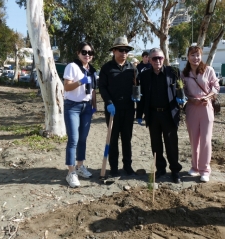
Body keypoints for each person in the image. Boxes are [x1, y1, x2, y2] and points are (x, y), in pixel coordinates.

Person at [136, 48, 183, 184]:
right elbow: (142, 98)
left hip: (169, 113)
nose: (157, 61)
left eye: (160, 58)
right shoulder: (144, 76)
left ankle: (175, 171)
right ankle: (160, 169)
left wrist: (182, 99)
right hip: (153, 114)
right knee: (156, 145)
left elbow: (181, 90)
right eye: (154, 58)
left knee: (171, 144)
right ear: (149, 60)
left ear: (164, 59)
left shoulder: (173, 72)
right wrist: (139, 114)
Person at [181, 46, 220, 182]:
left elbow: (216, 86)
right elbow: (182, 91)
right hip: (191, 108)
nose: (195, 58)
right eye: (192, 55)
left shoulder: (209, 70)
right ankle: (195, 167)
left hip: (206, 108)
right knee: (194, 140)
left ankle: (205, 170)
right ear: (188, 56)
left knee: (206, 140)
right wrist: (190, 99)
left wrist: (208, 97)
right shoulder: (184, 73)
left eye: (198, 55)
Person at [98, 36, 136, 177]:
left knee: (127, 139)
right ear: (114, 51)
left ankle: (127, 166)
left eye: (126, 50)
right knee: (112, 139)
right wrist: (108, 102)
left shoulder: (132, 68)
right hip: (112, 110)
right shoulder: (106, 68)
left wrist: (136, 95)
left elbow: (136, 85)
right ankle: (114, 167)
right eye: (121, 50)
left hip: (128, 109)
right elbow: (102, 87)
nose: (124, 52)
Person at [63, 42, 97, 187]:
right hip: (72, 106)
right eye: (84, 52)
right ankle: (71, 173)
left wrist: (94, 105)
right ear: (78, 53)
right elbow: (67, 86)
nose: (87, 55)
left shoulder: (92, 70)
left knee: (83, 138)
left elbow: (93, 90)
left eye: (90, 53)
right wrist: (80, 82)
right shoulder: (72, 66)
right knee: (73, 139)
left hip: (86, 107)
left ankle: (80, 166)